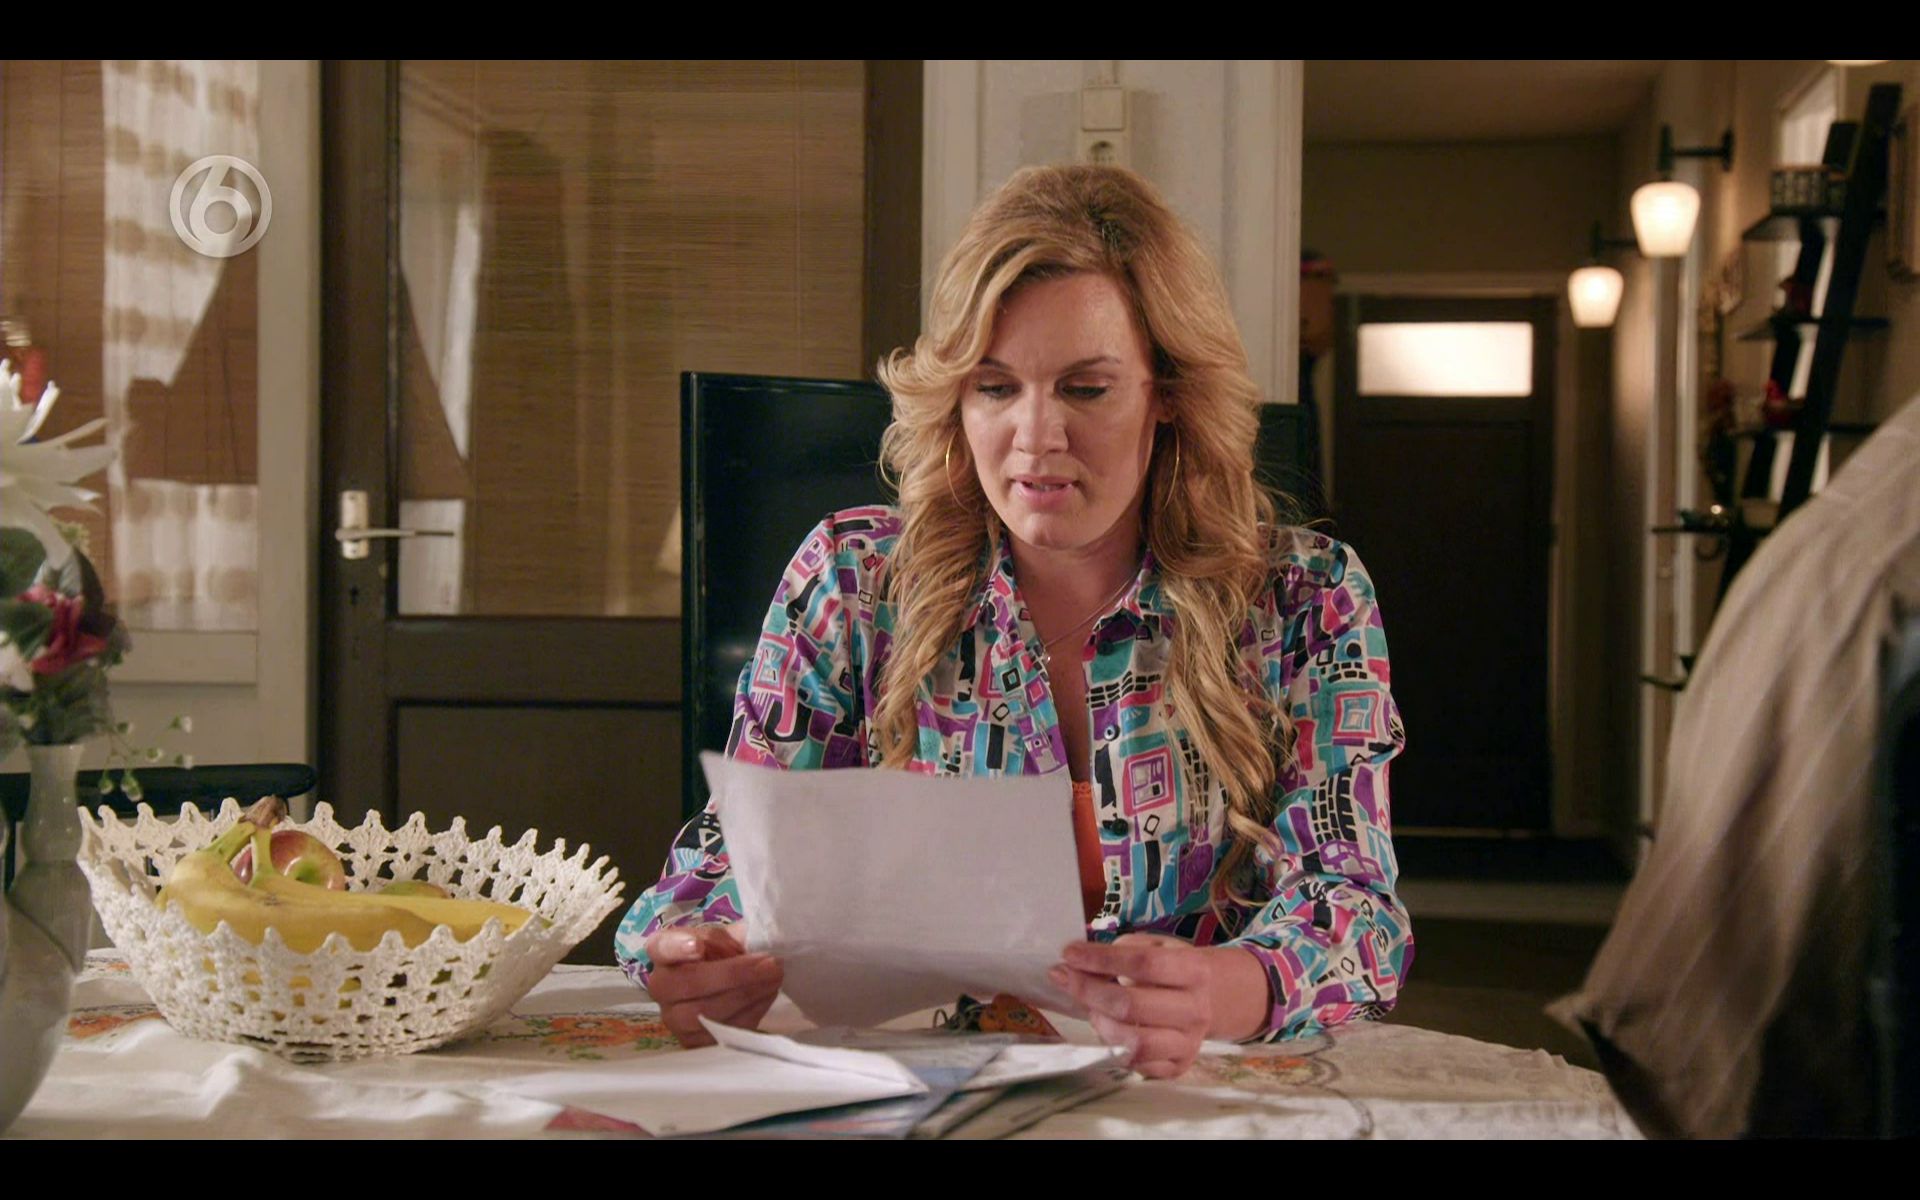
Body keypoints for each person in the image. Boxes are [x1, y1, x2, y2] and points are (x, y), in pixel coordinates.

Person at [615, 164, 1412, 1079]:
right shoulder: (853, 580)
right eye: (996, 388)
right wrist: (703, 952)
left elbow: (1357, 909)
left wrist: (1228, 989)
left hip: (1191, 1092)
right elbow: (719, 867)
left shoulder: (1305, 596)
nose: (1036, 438)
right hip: (910, 1088)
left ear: (1167, 393)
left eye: (1085, 388)